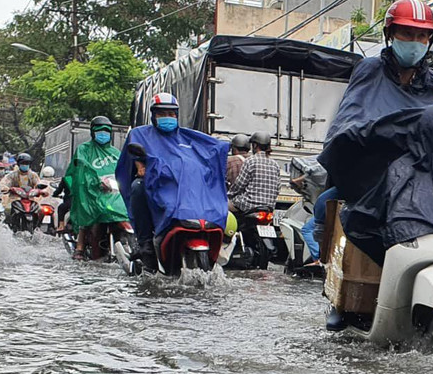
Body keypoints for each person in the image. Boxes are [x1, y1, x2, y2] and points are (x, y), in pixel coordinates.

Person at [317, 0, 433, 329]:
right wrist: (369, 137)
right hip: (371, 179)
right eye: (406, 34)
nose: (414, 42)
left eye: (422, 36)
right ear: (390, 35)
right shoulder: (370, 71)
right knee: (328, 207)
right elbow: (351, 116)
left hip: (423, 183)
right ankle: (342, 288)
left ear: (430, 41)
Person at [116, 93, 230, 271]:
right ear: (154, 115)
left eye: (171, 113)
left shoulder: (188, 138)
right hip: (158, 185)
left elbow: (211, 150)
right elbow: (135, 156)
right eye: (162, 114)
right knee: (137, 187)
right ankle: (145, 242)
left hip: (182, 189)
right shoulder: (141, 134)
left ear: (177, 115)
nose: (167, 117)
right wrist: (142, 167)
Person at [63, 116, 128, 259]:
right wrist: (94, 182)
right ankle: (79, 247)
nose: (103, 133)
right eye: (99, 130)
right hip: (91, 191)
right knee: (88, 212)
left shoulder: (115, 152)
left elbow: (124, 169)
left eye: (106, 131)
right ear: (92, 132)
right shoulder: (84, 150)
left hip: (113, 193)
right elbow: (81, 169)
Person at [228, 131, 281, 217]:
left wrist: (229, 195)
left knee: (223, 206)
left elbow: (239, 184)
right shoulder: (275, 164)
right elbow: (278, 188)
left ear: (255, 145)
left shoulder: (251, 161)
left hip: (248, 205)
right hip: (269, 207)